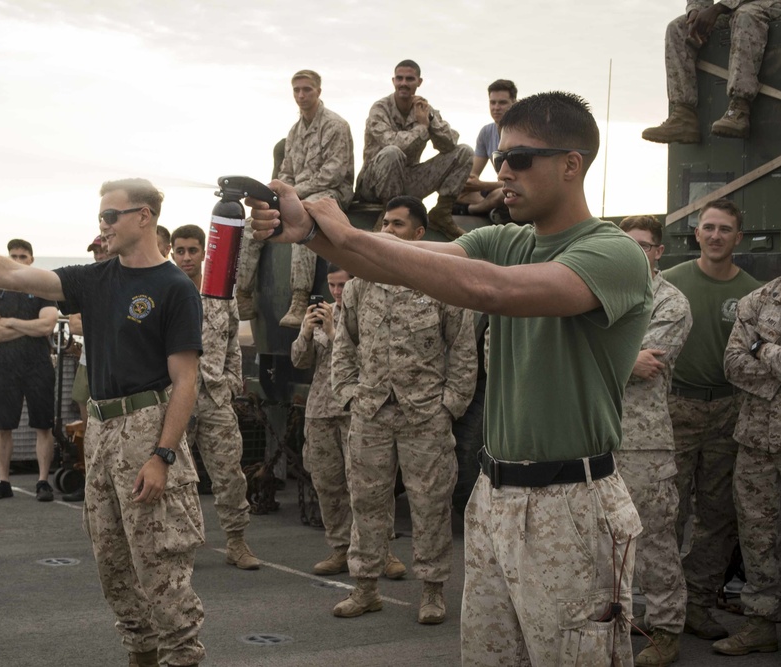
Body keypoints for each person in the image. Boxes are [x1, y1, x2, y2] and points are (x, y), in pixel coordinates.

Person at [248, 91, 652, 664]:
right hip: (495, 493)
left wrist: (350, 234)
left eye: (521, 158)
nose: (502, 171)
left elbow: (492, 291)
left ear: (571, 163)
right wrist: (311, 234)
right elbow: (399, 266)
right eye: (501, 158)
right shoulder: (504, 239)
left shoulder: (611, 253)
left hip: (572, 502)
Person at [0, 178, 206, 666]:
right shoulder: (95, 279)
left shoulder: (174, 288)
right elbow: (12, 275)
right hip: (103, 431)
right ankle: (141, 657)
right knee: (113, 569)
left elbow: (186, 380)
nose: (102, 224)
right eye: (100, 216)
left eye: (111, 215)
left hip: (147, 428)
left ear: (144, 216)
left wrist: (163, 455)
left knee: (162, 572)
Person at [330, 196, 477, 625]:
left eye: (397, 225)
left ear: (419, 233)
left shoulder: (440, 283)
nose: (388, 231)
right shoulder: (359, 285)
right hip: (371, 412)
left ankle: (432, 591)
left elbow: (463, 350)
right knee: (366, 501)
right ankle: (365, 587)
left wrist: (449, 405)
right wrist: (349, 394)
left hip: (425, 415)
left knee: (431, 503)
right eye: (384, 224)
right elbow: (344, 345)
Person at [661, 198, 762, 640]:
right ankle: (663, 605)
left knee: (718, 516)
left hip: (728, 410)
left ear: (738, 238)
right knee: (667, 510)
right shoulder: (669, 284)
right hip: (676, 408)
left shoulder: (755, 295)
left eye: (725, 229)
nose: (716, 235)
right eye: (709, 228)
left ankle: (697, 604)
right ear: (696, 234)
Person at [291, 262, 406, 579]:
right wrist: (305, 332)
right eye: (332, 285)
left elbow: (372, 362)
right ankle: (340, 549)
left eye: (342, 285)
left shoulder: (366, 317)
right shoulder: (321, 315)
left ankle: (383, 552)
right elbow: (300, 360)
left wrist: (333, 333)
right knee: (328, 485)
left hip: (356, 410)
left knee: (370, 486)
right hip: (320, 411)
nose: (337, 293)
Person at [616, 215, 693, 666]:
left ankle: (665, 629)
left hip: (643, 440)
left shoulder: (670, 301)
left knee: (653, 538)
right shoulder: (601, 289)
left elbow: (649, 364)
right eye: (627, 246)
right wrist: (623, 358)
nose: (636, 253)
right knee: (599, 536)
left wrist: (596, 356)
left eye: (644, 246)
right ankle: (616, 617)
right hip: (594, 432)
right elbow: (624, 359)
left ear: (659, 251)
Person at [170, 224, 260, 571]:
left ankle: (236, 542)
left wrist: (233, 380)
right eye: (181, 250)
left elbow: (232, 340)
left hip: (214, 397)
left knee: (229, 473)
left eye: (194, 250)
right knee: (174, 475)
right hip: (174, 396)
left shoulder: (222, 293)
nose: (187, 257)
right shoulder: (164, 291)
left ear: (205, 253)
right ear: (172, 253)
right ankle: (178, 545)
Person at [235, 69, 354, 327]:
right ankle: (243, 294)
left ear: (318, 92)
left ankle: (300, 298)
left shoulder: (336, 125)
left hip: (330, 194)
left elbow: (333, 174)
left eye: (307, 89)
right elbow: (286, 170)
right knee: (250, 224)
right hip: (299, 193)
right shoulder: (294, 132)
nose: (301, 95)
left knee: (303, 219)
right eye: (296, 90)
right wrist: (275, 194)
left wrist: (294, 194)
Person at [717, 276, 781, 656]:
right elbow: (733, 364)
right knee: (758, 536)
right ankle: (761, 624)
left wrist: (763, 348)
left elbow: (751, 354)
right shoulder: (757, 300)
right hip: (759, 441)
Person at [355, 59, 473, 239]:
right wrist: (422, 128)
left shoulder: (424, 109)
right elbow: (393, 144)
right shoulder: (380, 109)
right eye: (399, 78)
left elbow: (449, 145)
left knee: (464, 151)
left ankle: (441, 213)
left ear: (419, 82)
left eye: (409, 79)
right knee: (393, 152)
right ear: (393, 81)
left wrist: (430, 119)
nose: (403, 83)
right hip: (374, 184)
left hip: (407, 180)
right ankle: (389, 214)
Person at [0, 239, 59, 502]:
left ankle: (43, 482)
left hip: (38, 366)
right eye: (13, 256)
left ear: (31, 260)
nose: (18, 260)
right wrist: (29, 326)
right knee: (3, 427)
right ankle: (3, 482)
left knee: (43, 426)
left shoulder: (44, 293)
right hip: (6, 367)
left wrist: (11, 322)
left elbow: (46, 327)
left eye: (23, 256)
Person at [642, 0, 781, 143]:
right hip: (733, 8)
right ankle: (683, 117)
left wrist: (718, 8)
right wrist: (696, 11)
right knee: (677, 28)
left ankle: (739, 109)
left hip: (769, 4)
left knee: (745, 16)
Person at [66, 234, 113, 503]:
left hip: (111, 366)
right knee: (88, 428)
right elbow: (73, 324)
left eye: (101, 250)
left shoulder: (121, 280)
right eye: (94, 251)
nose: (98, 255)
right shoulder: (88, 284)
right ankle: (89, 483)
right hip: (87, 363)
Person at [457, 79, 517, 222]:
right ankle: (488, 207)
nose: (496, 107)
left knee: (501, 195)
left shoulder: (521, 133)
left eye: (502, 103)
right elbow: (473, 174)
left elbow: (520, 183)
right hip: (495, 188)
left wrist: (482, 185)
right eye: (492, 102)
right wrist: (468, 185)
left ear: (514, 103)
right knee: (455, 189)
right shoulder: (486, 132)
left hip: (514, 189)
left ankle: (471, 209)